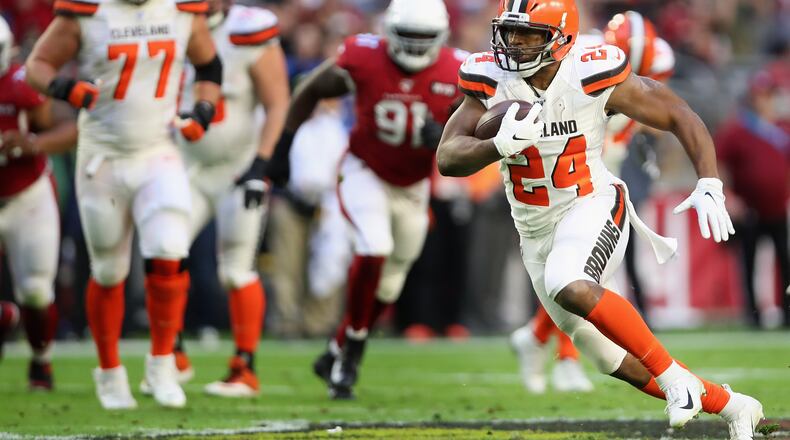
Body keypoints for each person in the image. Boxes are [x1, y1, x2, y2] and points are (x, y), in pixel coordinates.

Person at [437, 0, 763, 437]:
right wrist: (494, 147)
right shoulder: (489, 78)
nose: (514, 43)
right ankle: (735, 406)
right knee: (611, 359)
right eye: (510, 31)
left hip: (590, 202)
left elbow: (677, 113)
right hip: (534, 229)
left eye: (530, 33)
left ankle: (675, 379)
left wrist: (709, 181)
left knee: (569, 282)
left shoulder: (590, 71)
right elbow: (447, 156)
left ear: (562, 38)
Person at [26, 0, 221, 409]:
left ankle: (163, 362)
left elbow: (209, 66)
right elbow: (37, 66)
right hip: (104, 157)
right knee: (109, 271)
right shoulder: (87, 12)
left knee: (170, 250)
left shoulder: (183, 10)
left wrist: (202, 112)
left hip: (157, 150)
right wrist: (66, 89)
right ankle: (110, 370)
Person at [266, 0, 466, 399]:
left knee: (389, 286)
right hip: (364, 170)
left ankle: (337, 350)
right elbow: (311, 90)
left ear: (441, 38)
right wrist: (283, 147)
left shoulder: (458, 70)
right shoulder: (364, 56)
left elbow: (478, 122)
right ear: (389, 32)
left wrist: (448, 134)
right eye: (406, 37)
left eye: (422, 39)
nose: (413, 47)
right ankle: (352, 355)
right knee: (373, 247)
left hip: (413, 185)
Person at [509, 10, 676, 395]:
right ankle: (560, 354)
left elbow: (653, 103)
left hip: (603, 160)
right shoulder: (581, 58)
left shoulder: (647, 64)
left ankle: (537, 339)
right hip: (568, 166)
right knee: (577, 274)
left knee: (578, 274)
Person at [169, 0, 288, 398]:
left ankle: (245, 368)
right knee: (163, 251)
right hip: (186, 165)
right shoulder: (168, 20)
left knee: (236, 269)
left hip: (238, 168)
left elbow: (277, 103)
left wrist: (261, 165)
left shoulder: (249, 30)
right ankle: (169, 354)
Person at [0, 15, 77, 389]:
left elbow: (68, 126)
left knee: (35, 289)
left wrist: (32, 143)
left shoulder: (22, 84)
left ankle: (40, 361)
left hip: (26, 193)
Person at [716, 63, 790, 328]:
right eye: (760, 95)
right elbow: (719, 162)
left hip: (779, 209)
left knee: (786, 261)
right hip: (750, 209)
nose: (764, 100)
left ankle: (787, 311)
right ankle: (753, 314)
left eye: (768, 94)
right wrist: (728, 196)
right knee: (748, 263)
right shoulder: (738, 129)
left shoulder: (783, 128)